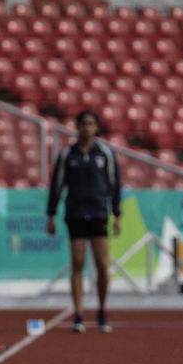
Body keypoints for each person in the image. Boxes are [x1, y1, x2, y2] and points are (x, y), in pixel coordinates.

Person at [46, 109, 122, 333]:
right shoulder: (67, 155)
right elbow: (56, 186)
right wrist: (50, 215)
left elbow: (114, 185)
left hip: (99, 213)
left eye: (91, 124)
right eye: (83, 124)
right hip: (75, 213)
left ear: (96, 128)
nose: (87, 128)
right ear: (77, 127)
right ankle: (79, 313)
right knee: (77, 264)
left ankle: (102, 310)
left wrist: (116, 215)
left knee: (102, 265)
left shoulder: (105, 154)